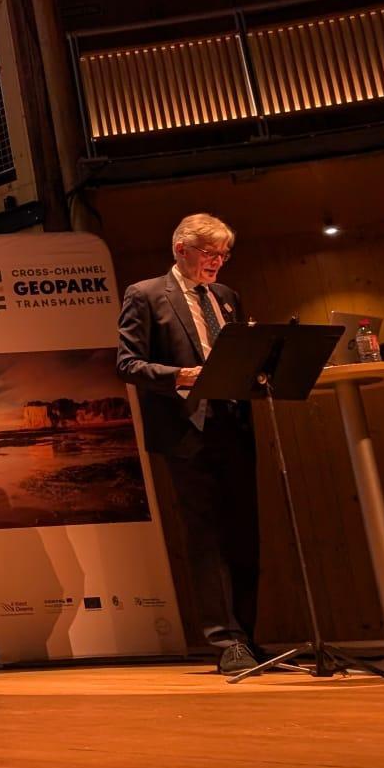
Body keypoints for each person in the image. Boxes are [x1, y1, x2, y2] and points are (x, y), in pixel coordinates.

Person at [115, 213, 262, 674]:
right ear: (182, 250)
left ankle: (248, 637)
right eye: (209, 253)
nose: (218, 262)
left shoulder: (227, 298)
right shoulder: (146, 294)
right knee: (206, 535)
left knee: (244, 532)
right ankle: (225, 640)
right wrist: (177, 375)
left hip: (234, 422)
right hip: (187, 429)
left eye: (224, 254)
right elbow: (126, 364)